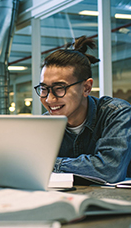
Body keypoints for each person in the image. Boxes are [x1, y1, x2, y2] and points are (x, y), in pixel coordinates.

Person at [34, 36, 131, 183]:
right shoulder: (44, 124)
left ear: (86, 88)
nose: (49, 99)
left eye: (59, 88)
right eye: (43, 89)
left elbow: (108, 170)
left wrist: (47, 164)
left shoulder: (116, 113)